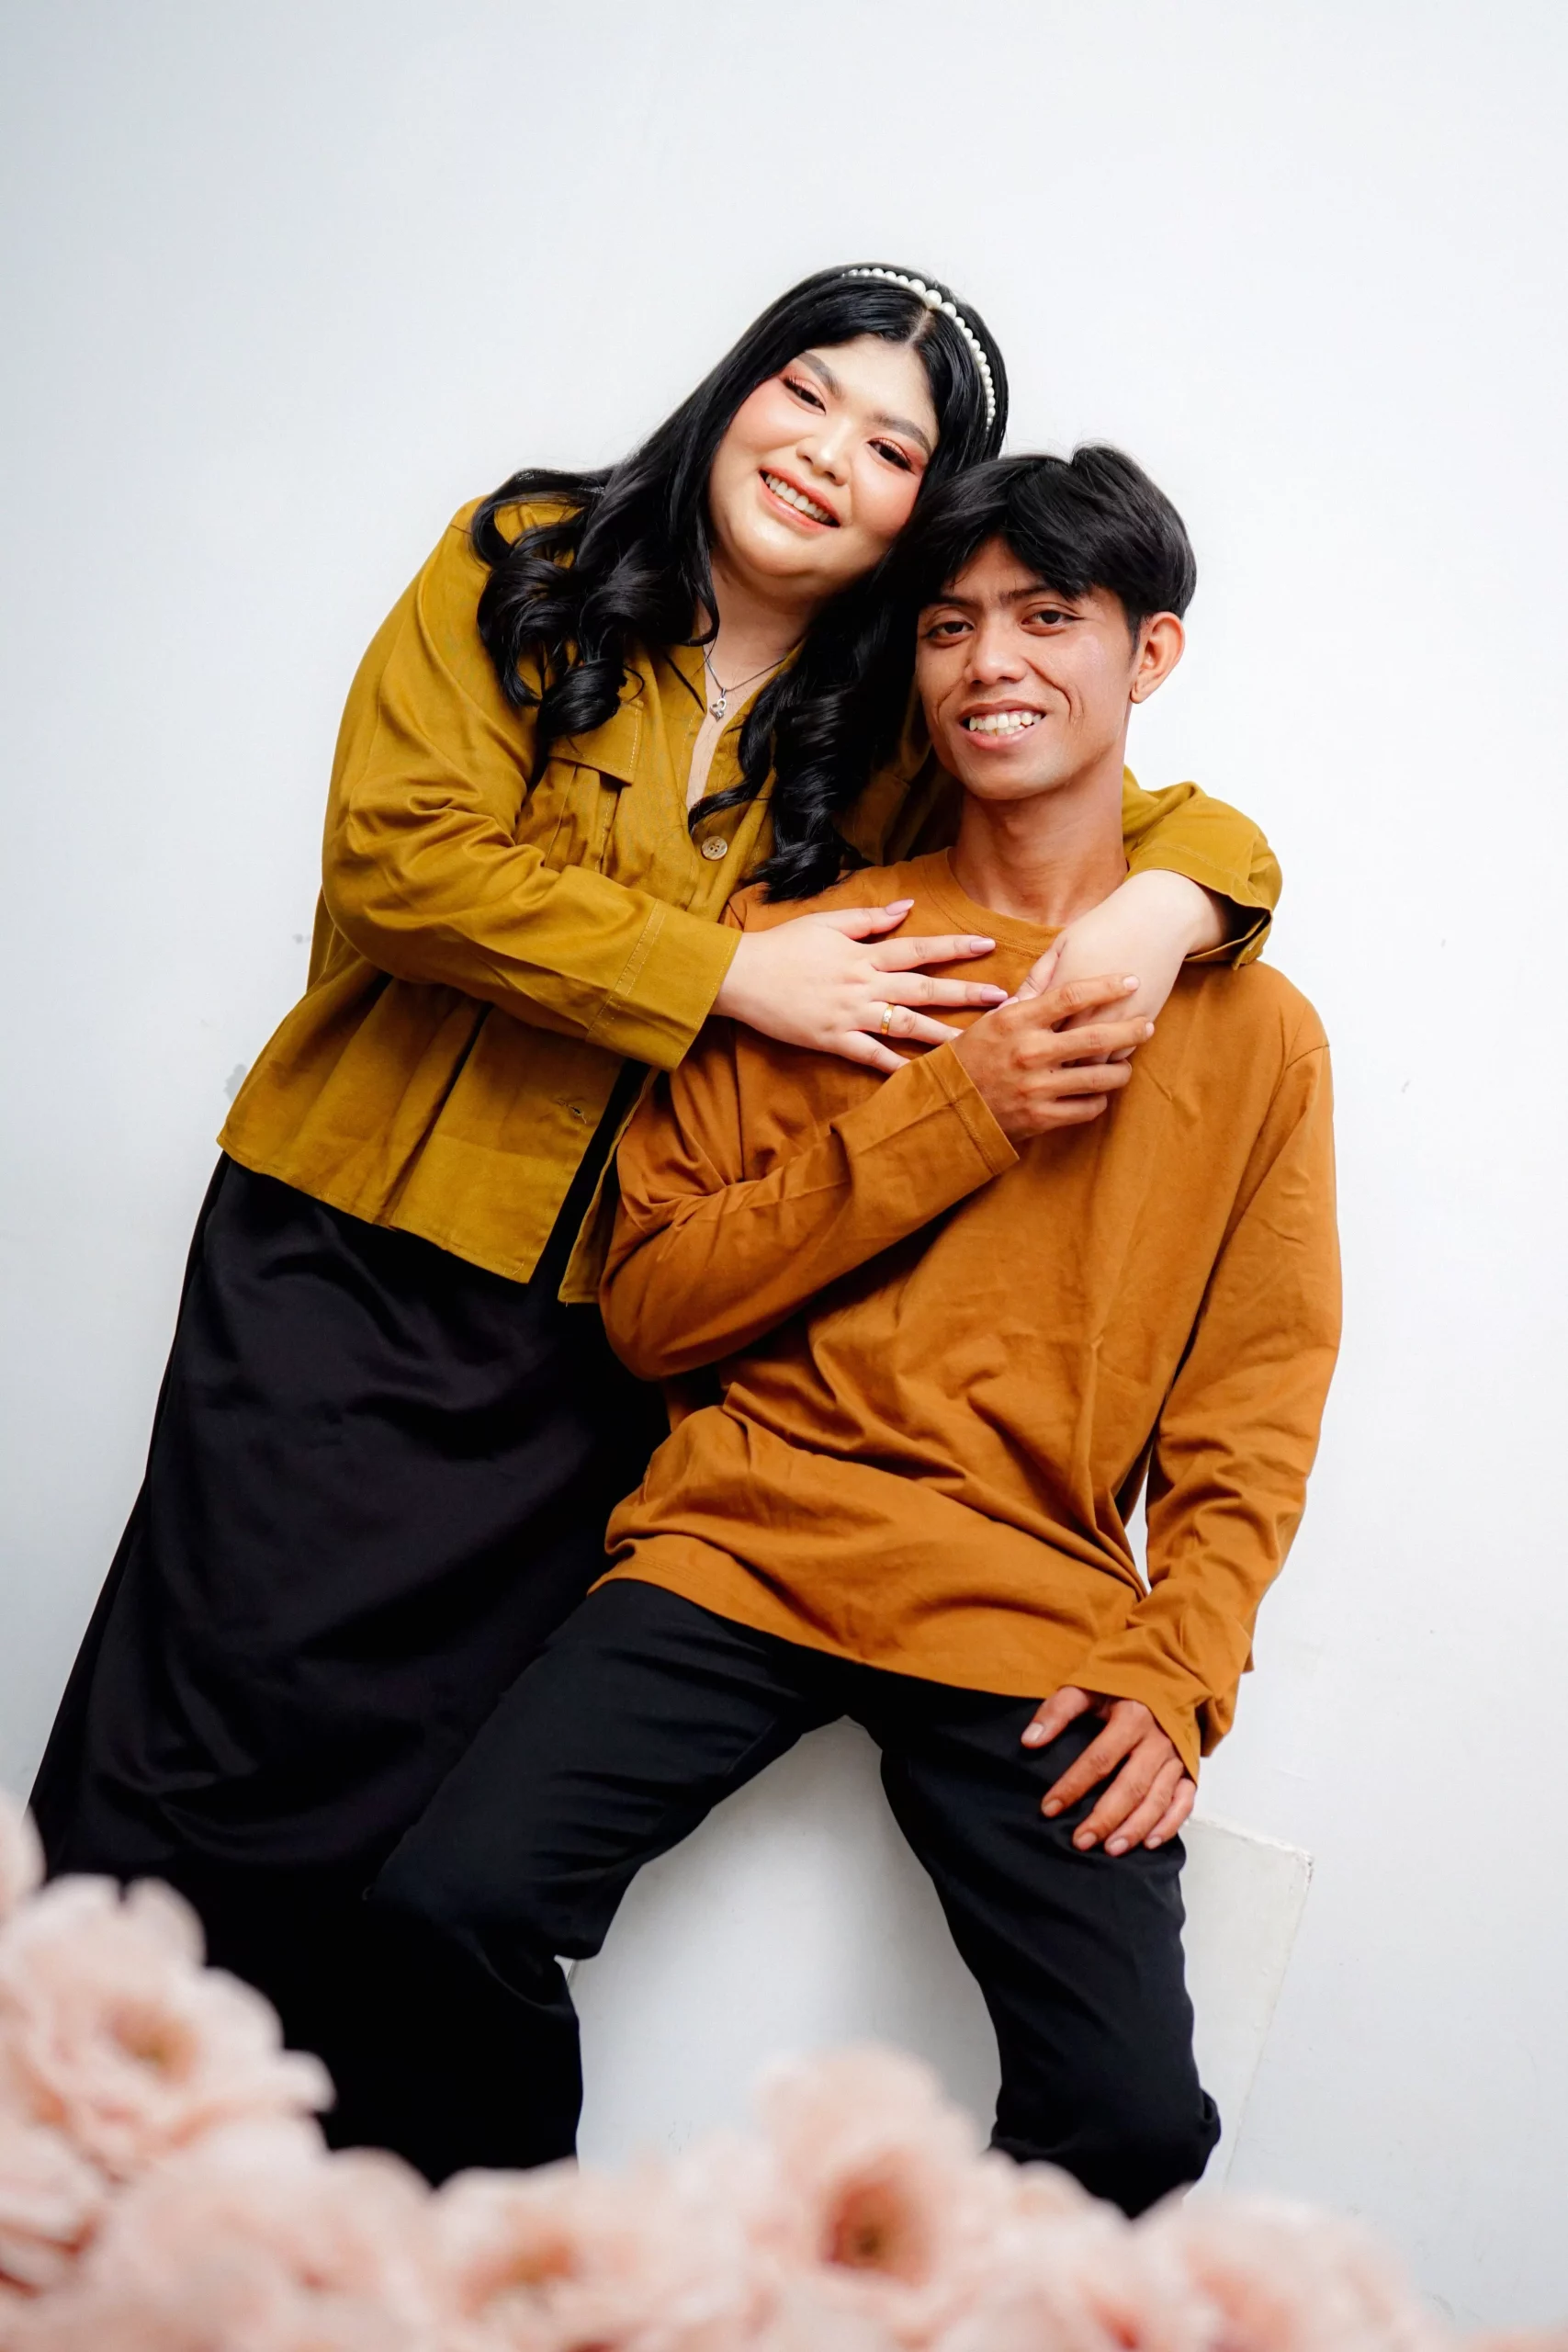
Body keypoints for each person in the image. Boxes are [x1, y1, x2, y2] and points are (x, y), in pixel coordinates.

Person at [31, 266, 1280, 2152]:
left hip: (605, 1342)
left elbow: (1119, 793)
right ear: (736, 386)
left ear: (915, 517)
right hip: (351, 1241)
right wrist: (726, 971)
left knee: (424, 1819)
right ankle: (55, 2166)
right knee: (195, 1730)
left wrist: (1178, 904)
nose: (829, 455)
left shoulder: (890, 714)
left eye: (893, 449)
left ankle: (325, 2234)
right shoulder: (528, 557)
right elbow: (398, 856)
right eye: (808, 393)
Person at [372, 445, 1341, 2211]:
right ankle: (558, 2302)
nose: (990, 664)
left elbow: (1255, 1386)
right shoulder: (809, 951)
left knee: (1133, 2122)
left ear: (1150, 654)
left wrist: (1181, 1661)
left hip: (1028, 1595)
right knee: (445, 1911)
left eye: (1047, 619)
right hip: (744, 1543)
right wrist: (963, 1104)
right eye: (949, 626)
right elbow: (652, 1311)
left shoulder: (1251, 1027)